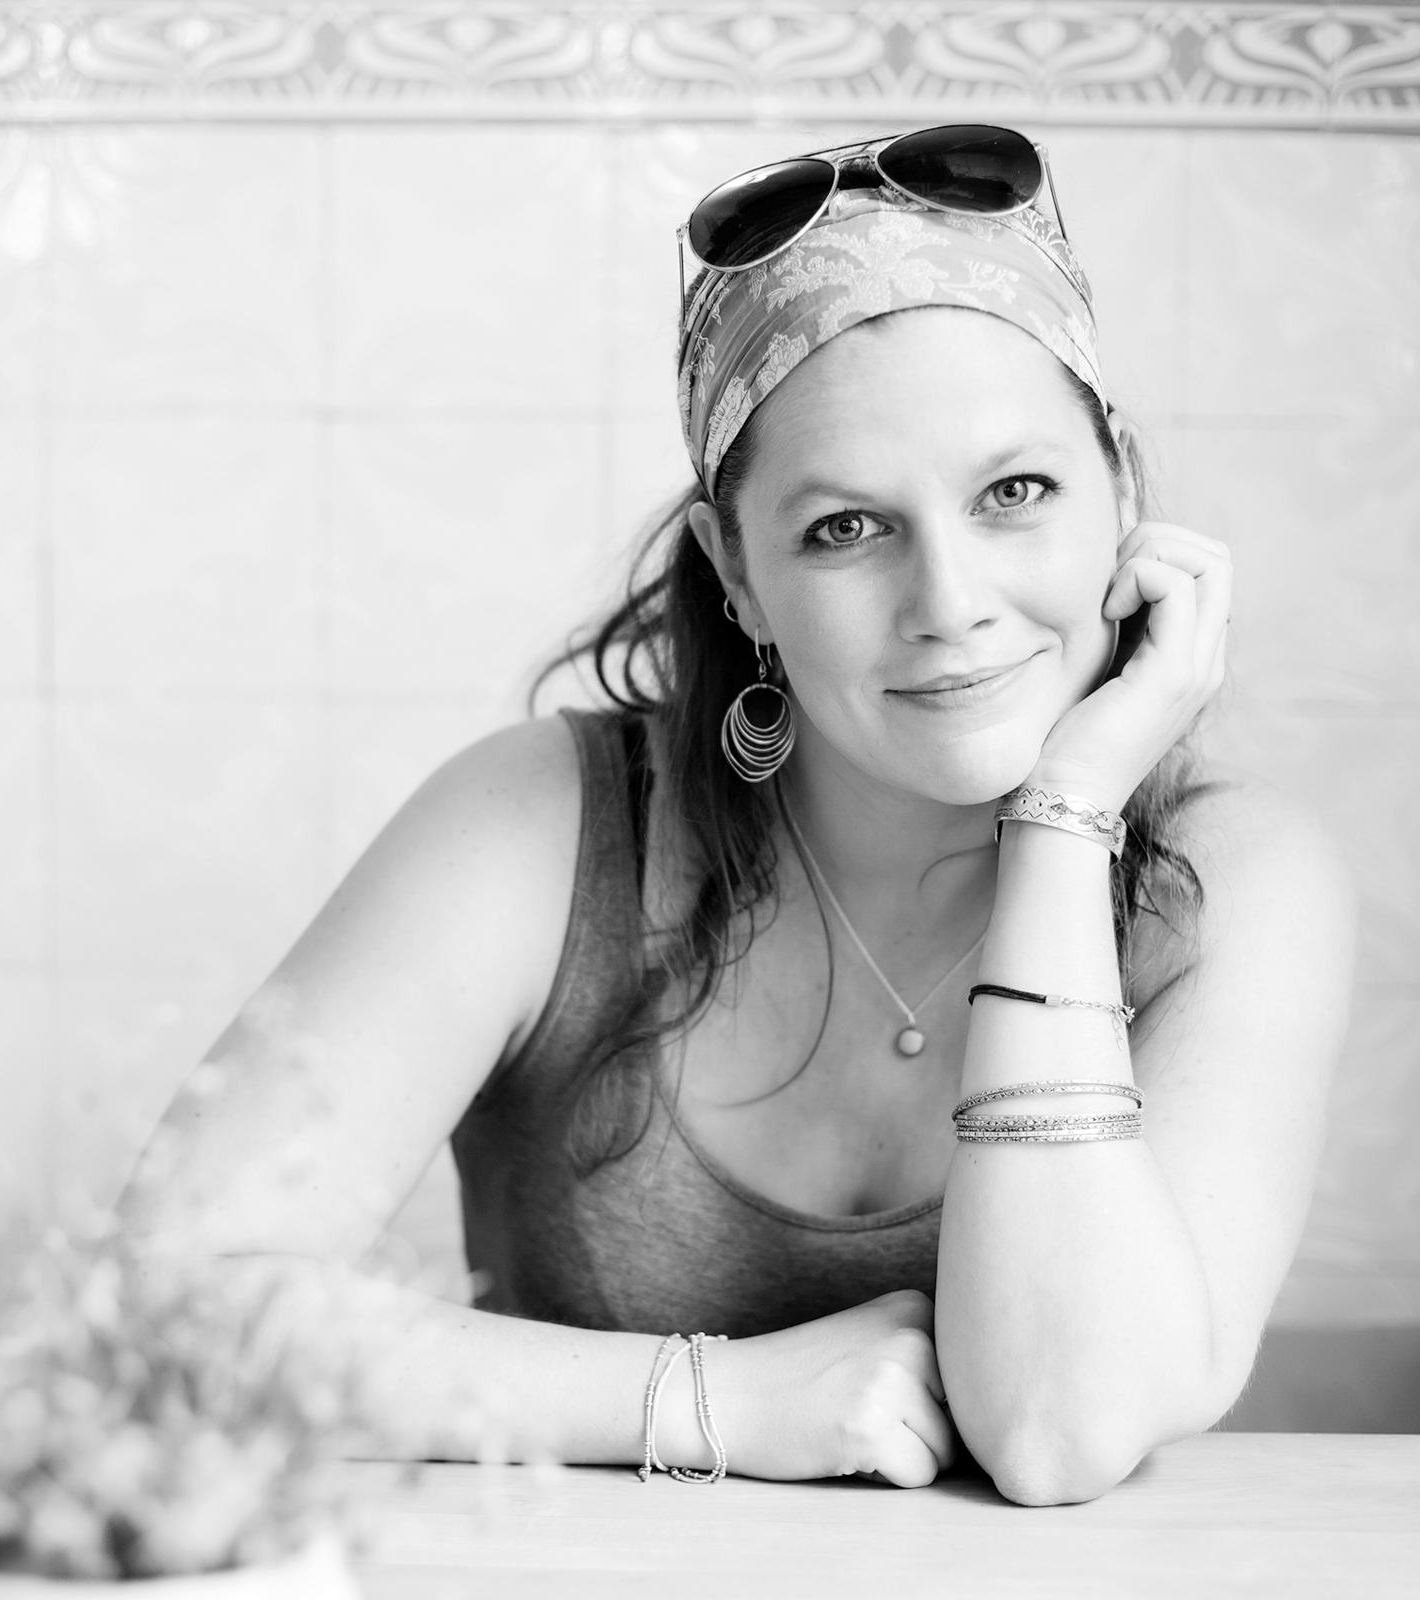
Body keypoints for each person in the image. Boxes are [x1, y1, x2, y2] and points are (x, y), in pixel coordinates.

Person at [118, 125, 1354, 1505]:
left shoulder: (1235, 884)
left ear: (1116, 484)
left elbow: (1060, 1429)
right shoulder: (535, 828)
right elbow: (160, 1318)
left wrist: (1065, 819)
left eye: (1015, 493)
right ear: (739, 572)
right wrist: (720, 1401)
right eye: (846, 528)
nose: (950, 601)